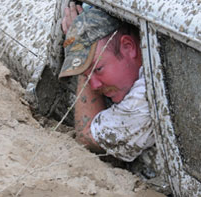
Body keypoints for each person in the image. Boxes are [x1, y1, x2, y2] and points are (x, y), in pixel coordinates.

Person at [59, 2, 155, 162]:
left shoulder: (148, 93)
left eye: (98, 69)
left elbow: (88, 134)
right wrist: (85, 57)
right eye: (86, 74)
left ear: (128, 46)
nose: (94, 85)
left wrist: (83, 56)